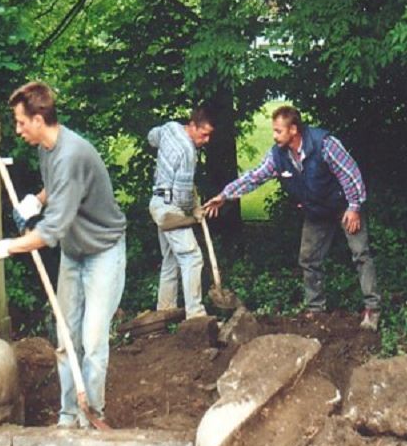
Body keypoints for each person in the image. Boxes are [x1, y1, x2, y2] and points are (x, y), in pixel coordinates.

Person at [0, 81, 127, 429]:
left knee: (92, 341)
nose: (18, 129)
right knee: (65, 340)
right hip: (75, 252)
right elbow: (56, 188)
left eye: (20, 122)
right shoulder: (48, 148)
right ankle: (68, 415)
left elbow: (49, 233)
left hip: (103, 251)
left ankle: (92, 417)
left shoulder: (73, 154)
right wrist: (37, 200)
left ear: (39, 119)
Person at [203, 105, 381, 330]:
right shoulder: (278, 155)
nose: (274, 136)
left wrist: (354, 207)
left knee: (360, 254)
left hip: (343, 206)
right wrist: (225, 195)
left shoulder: (324, 144)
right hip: (316, 210)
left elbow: (351, 174)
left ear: (294, 129)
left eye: (278, 131)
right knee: (308, 259)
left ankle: (372, 309)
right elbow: (255, 177)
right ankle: (316, 309)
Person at [147, 107, 215, 319]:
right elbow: (184, 196)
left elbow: (151, 137)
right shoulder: (188, 152)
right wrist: (194, 212)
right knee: (192, 257)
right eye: (203, 134)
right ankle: (196, 315)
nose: (207, 140)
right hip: (171, 209)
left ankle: (165, 311)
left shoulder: (170, 128)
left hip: (157, 203)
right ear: (192, 126)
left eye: (210, 135)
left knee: (171, 259)